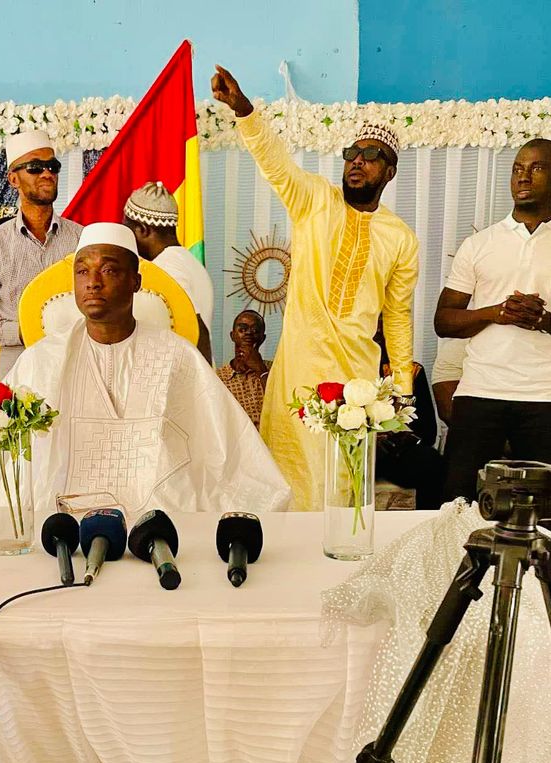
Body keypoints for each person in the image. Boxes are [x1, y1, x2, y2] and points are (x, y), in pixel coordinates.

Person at [0, 224, 291, 514]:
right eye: (83, 271)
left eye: (109, 270)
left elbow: (222, 440)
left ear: (136, 282)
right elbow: (0, 450)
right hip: (64, 518)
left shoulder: (177, 356)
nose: (93, 282)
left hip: (159, 517)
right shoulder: (43, 359)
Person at [211, 65, 417, 510]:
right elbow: (276, 164)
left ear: (389, 172)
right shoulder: (315, 200)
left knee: (342, 483)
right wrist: (244, 110)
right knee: (292, 476)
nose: (357, 161)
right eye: (352, 153)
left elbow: (398, 317)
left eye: (371, 154)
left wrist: (402, 391)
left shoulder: (400, 237)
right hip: (300, 371)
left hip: (357, 380)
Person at [435, 138, 551, 503]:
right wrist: (497, 313)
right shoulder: (479, 244)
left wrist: (545, 320)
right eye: (518, 168)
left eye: (536, 168)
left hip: (546, 396)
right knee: (457, 504)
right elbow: (444, 320)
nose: (523, 177)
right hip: (480, 391)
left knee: (536, 511)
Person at [432, 337, 551, 536]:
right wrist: (511, 443)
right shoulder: (458, 347)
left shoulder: (546, 347)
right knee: (467, 457)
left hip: (547, 430)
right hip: (483, 434)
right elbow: (449, 411)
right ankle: (465, 539)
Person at [0, 131, 83, 377]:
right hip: (18, 372)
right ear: (13, 179)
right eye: (35, 168)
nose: (47, 174)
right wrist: (22, 331)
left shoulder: (83, 239)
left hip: (75, 365)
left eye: (53, 166)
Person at [123, 181, 214, 363]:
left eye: (128, 229)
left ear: (143, 230)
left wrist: (200, 377)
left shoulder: (167, 267)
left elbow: (197, 328)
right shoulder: (188, 261)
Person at [374, 331, 444, 508]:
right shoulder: (343, 367)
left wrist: (399, 437)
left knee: (431, 462)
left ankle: (425, 522)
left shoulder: (410, 371)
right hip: (351, 448)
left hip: (392, 451)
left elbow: (428, 433)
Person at [216, 309, 270, 428]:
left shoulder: (275, 370)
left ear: (262, 338)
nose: (248, 333)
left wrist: (261, 370)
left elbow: (282, 406)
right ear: (232, 336)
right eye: (242, 329)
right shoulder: (217, 377)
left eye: (255, 330)